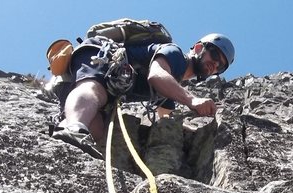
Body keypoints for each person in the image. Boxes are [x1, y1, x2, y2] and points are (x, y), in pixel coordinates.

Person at [51, 33, 235, 158]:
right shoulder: (175, 54)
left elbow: (165, 117)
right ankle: (74, 128)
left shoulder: (173, 87)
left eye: (221, 67)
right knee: (94, 90)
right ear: (197, 48)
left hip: (112, 84)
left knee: (97, 130)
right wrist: (192, 100)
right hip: (101, 55)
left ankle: (64, 129)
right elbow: (156, 75)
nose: (215, 65)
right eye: (214, 55)